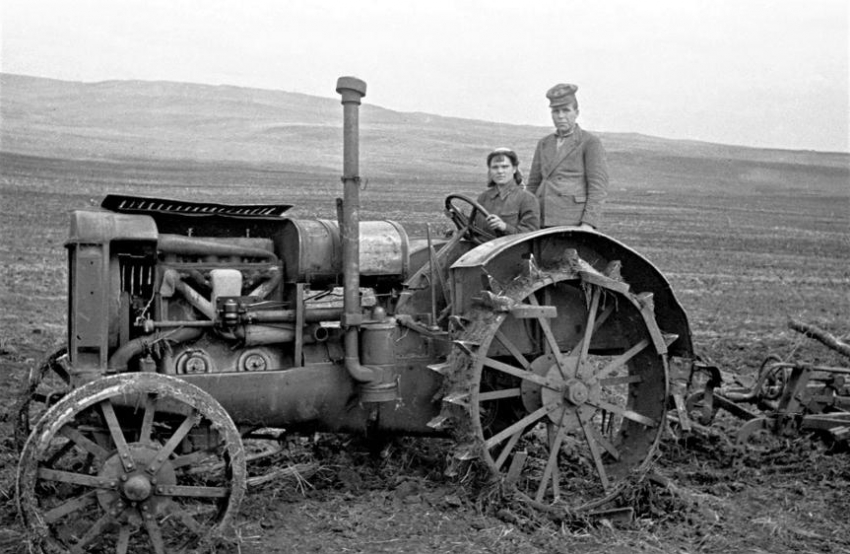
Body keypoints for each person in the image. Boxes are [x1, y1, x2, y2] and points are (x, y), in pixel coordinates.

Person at [526, 83, 609, 230]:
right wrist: (526, 217)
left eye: (566, 110)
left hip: (571, 221)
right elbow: (533, 184)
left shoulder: (590, 142)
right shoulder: (544, 143)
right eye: (556, 111)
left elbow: (598, 187)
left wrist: (588, 223)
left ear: (576, 112)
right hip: (541, 217)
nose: (561, 116)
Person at [475, 148, 540, 237]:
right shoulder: (483, 198)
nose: (500, 171)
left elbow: (531, 235)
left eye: (505, 167)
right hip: (483, 247)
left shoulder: (527, 199)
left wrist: (505, 227)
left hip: (512, 250)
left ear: (514, 169)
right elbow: (474, 228)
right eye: (495, 167)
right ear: (490, 171)